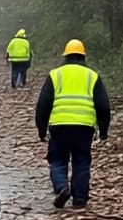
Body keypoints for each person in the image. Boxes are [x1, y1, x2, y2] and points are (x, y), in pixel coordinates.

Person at [35, 38, 112, 208]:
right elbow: (103, 105)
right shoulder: (92, 76)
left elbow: (43, 104)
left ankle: (62, 188)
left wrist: (41, 129)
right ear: (84, 57)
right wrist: (104, 130)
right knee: (82, 161)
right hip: (84, 127)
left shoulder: (55, 75)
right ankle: (80, 199)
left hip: (59, 126)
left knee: (57, 160)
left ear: (65, 56)